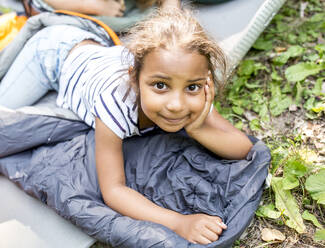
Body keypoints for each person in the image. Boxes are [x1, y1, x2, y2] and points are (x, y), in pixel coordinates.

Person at [0, 6, 252, 244]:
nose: (176, 105)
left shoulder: (193, 97)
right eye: (160, 85)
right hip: (52, 53)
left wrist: (197, 128)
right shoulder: (116, 102)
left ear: (205, 81)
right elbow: (113, 190)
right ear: (135, 77)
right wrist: (178, 223)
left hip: (95, 53)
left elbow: (242, 148)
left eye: (192, 86)